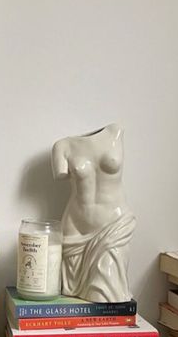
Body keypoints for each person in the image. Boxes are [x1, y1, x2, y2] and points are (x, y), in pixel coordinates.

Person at [51, 123, 135, 302]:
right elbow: (60, 173)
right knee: (69, 297)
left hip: (114, 224)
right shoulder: (62, 147)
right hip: (76, 227)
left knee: (107, 296)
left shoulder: (116, 131)